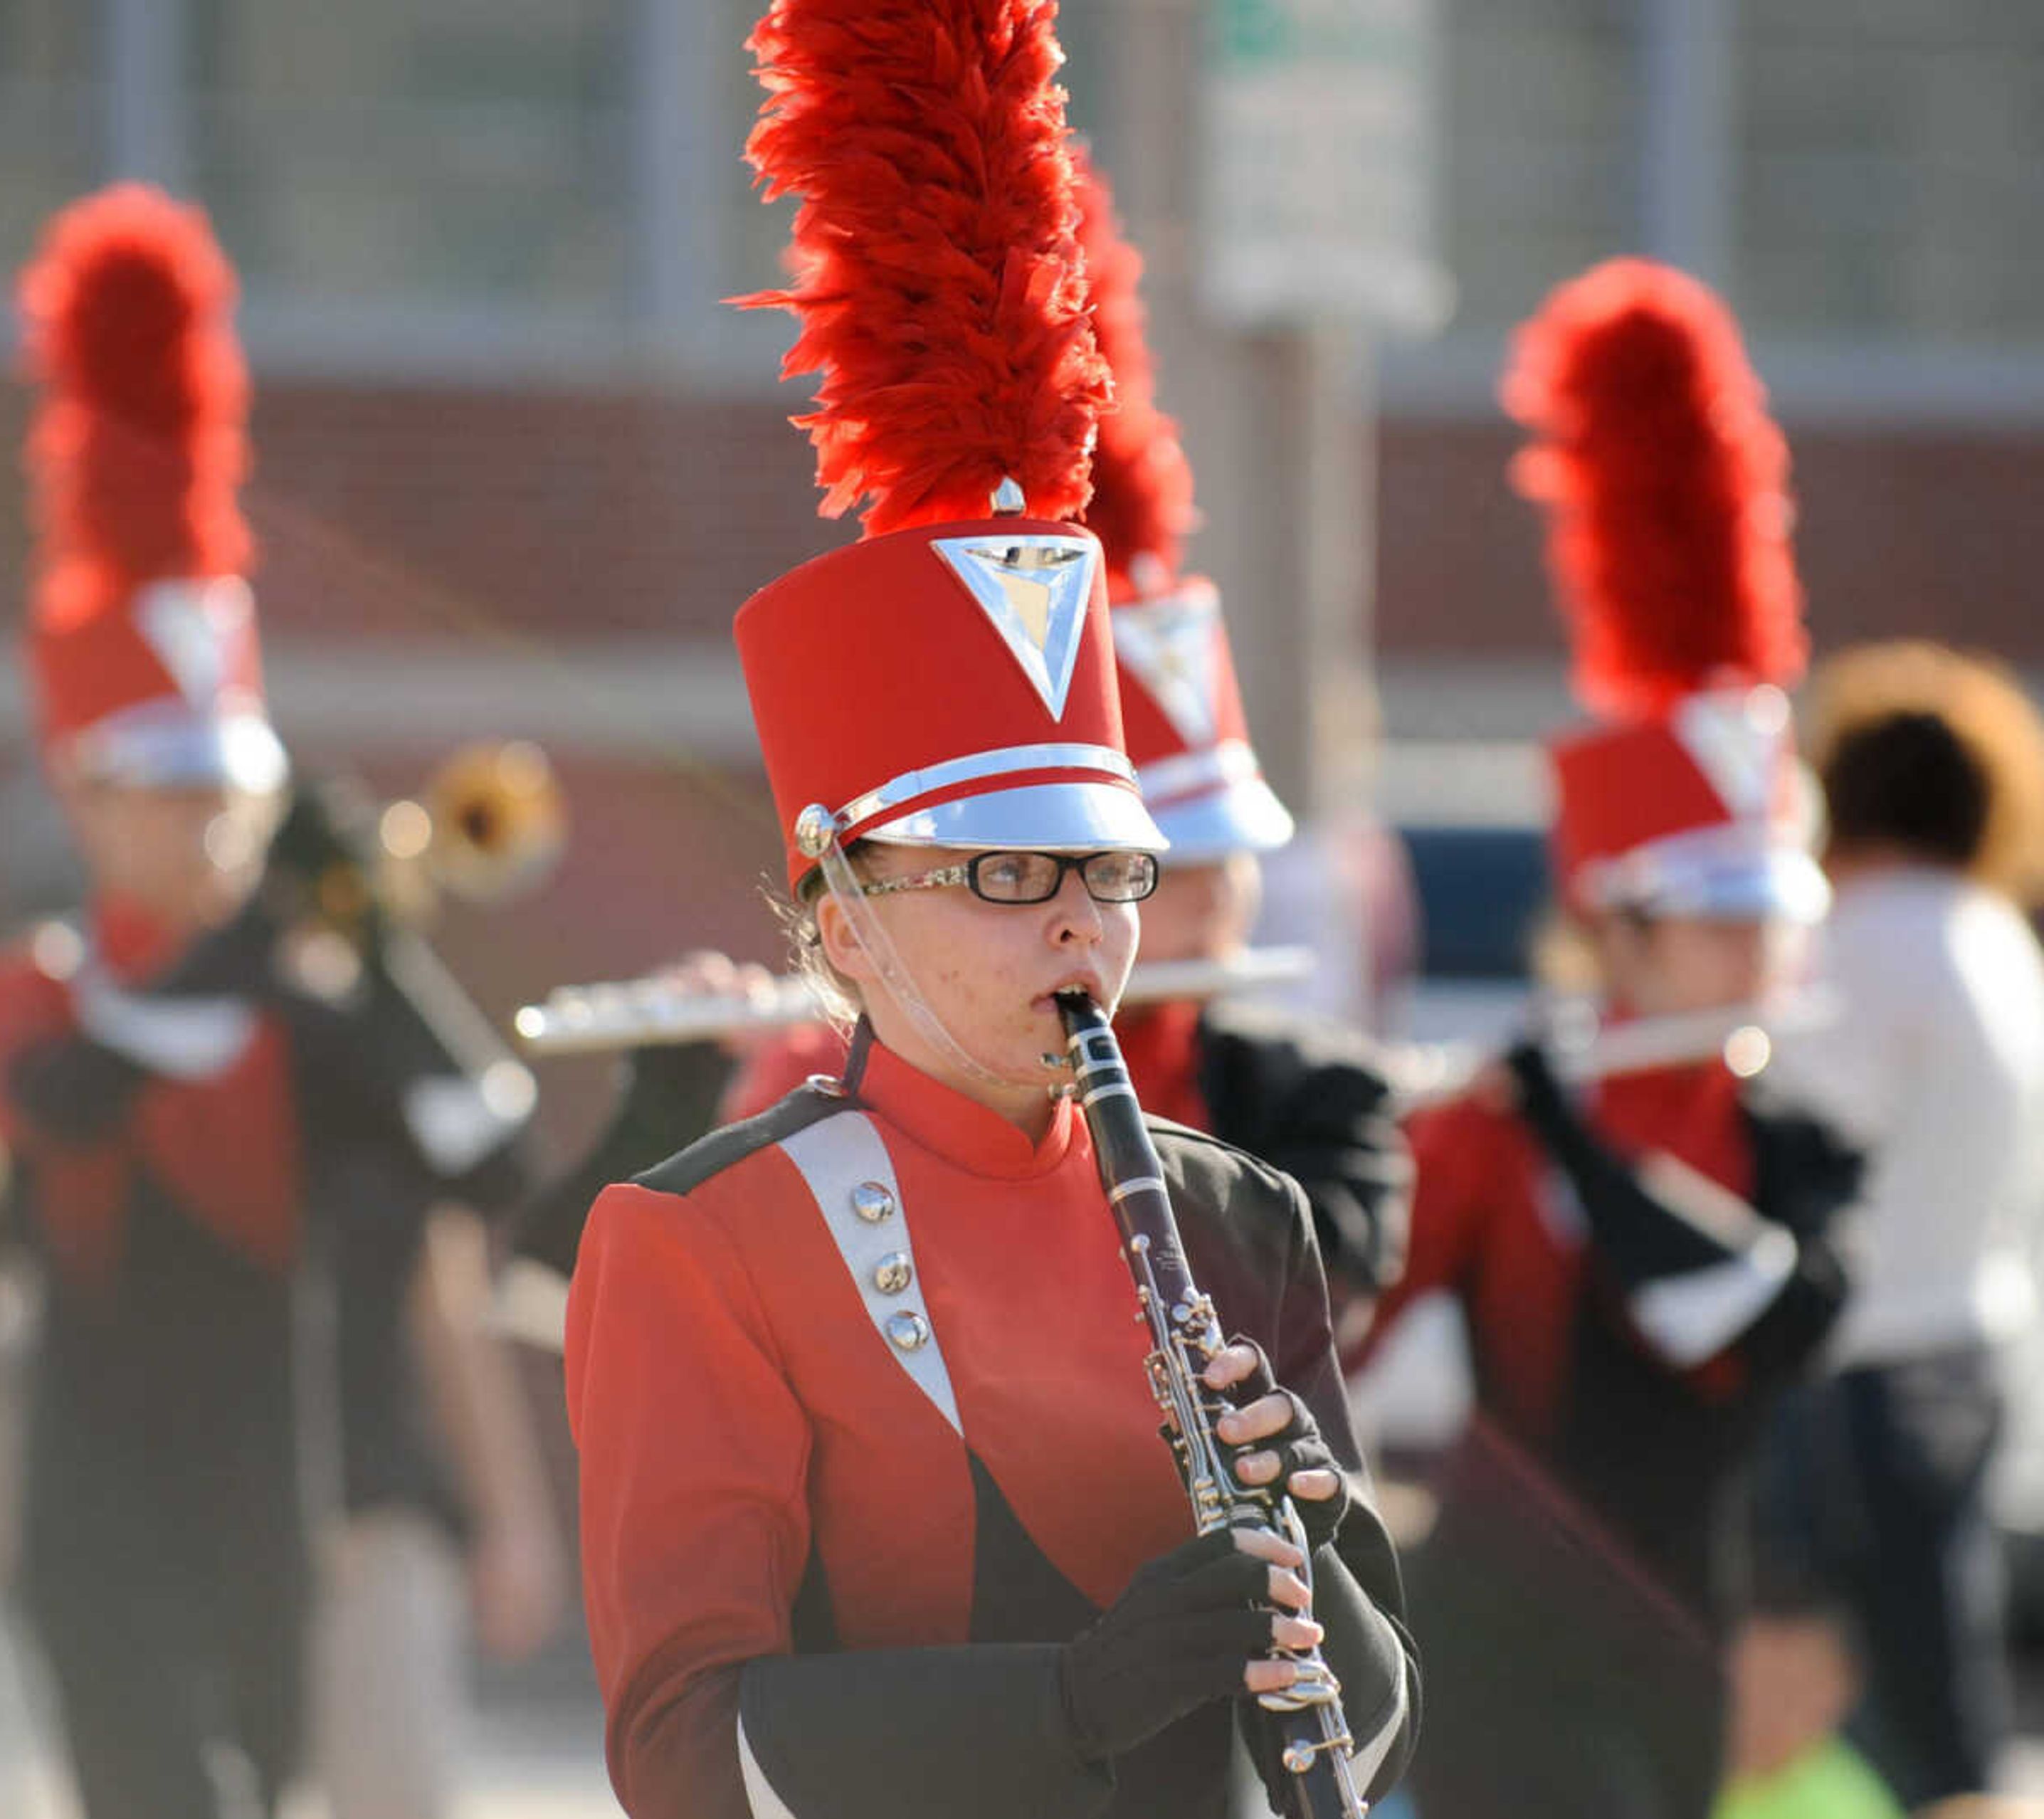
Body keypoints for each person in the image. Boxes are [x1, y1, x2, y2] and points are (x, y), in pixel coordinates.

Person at [564, 6, 1417, 1814]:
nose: (1089, 930)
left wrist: (1313, 1562)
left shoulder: (1237, 1212)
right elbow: (676, 1759)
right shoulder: (701, 1240)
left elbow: (1365, 1726)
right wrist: (1076, 1701)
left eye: (1111, 874)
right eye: (1010, 876)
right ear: (843, 915)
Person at [0, 186, 558, 1819]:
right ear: (83, 796)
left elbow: (483, 1168)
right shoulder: (22, 999)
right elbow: (68, 1098)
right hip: (101, 1532)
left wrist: (376, 953)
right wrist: (269, 943)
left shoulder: (312, 996)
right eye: (166, 794)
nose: (205, 830)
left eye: (230, 795)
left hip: (302, 1517)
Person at [712, 152, 1410, 1332]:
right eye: (1030, 869)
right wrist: (700, 1085)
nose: (1171, 910)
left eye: (1148, 865)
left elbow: (1324, 1301)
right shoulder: (861, 1086)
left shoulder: (1313, 1095)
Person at [1366, 259, 1862, 1819]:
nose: (1758, 949)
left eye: (1768, 909)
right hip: (1500, 1656)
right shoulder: (1491, 1125)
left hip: (1693, 1646)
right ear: (1617, 924)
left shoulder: (1798, 1146)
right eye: (1715, 914)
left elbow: (1751, 1327)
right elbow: (1344, 1326)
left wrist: (1569, 1136)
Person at [1753, 639, 2044, 1808]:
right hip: (1965, 1353)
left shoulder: (1866, 934)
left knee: (1834, 1713)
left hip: (1855, 1374)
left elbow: (1790, 1139)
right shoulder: (1994, 938)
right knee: (1940, 1692)